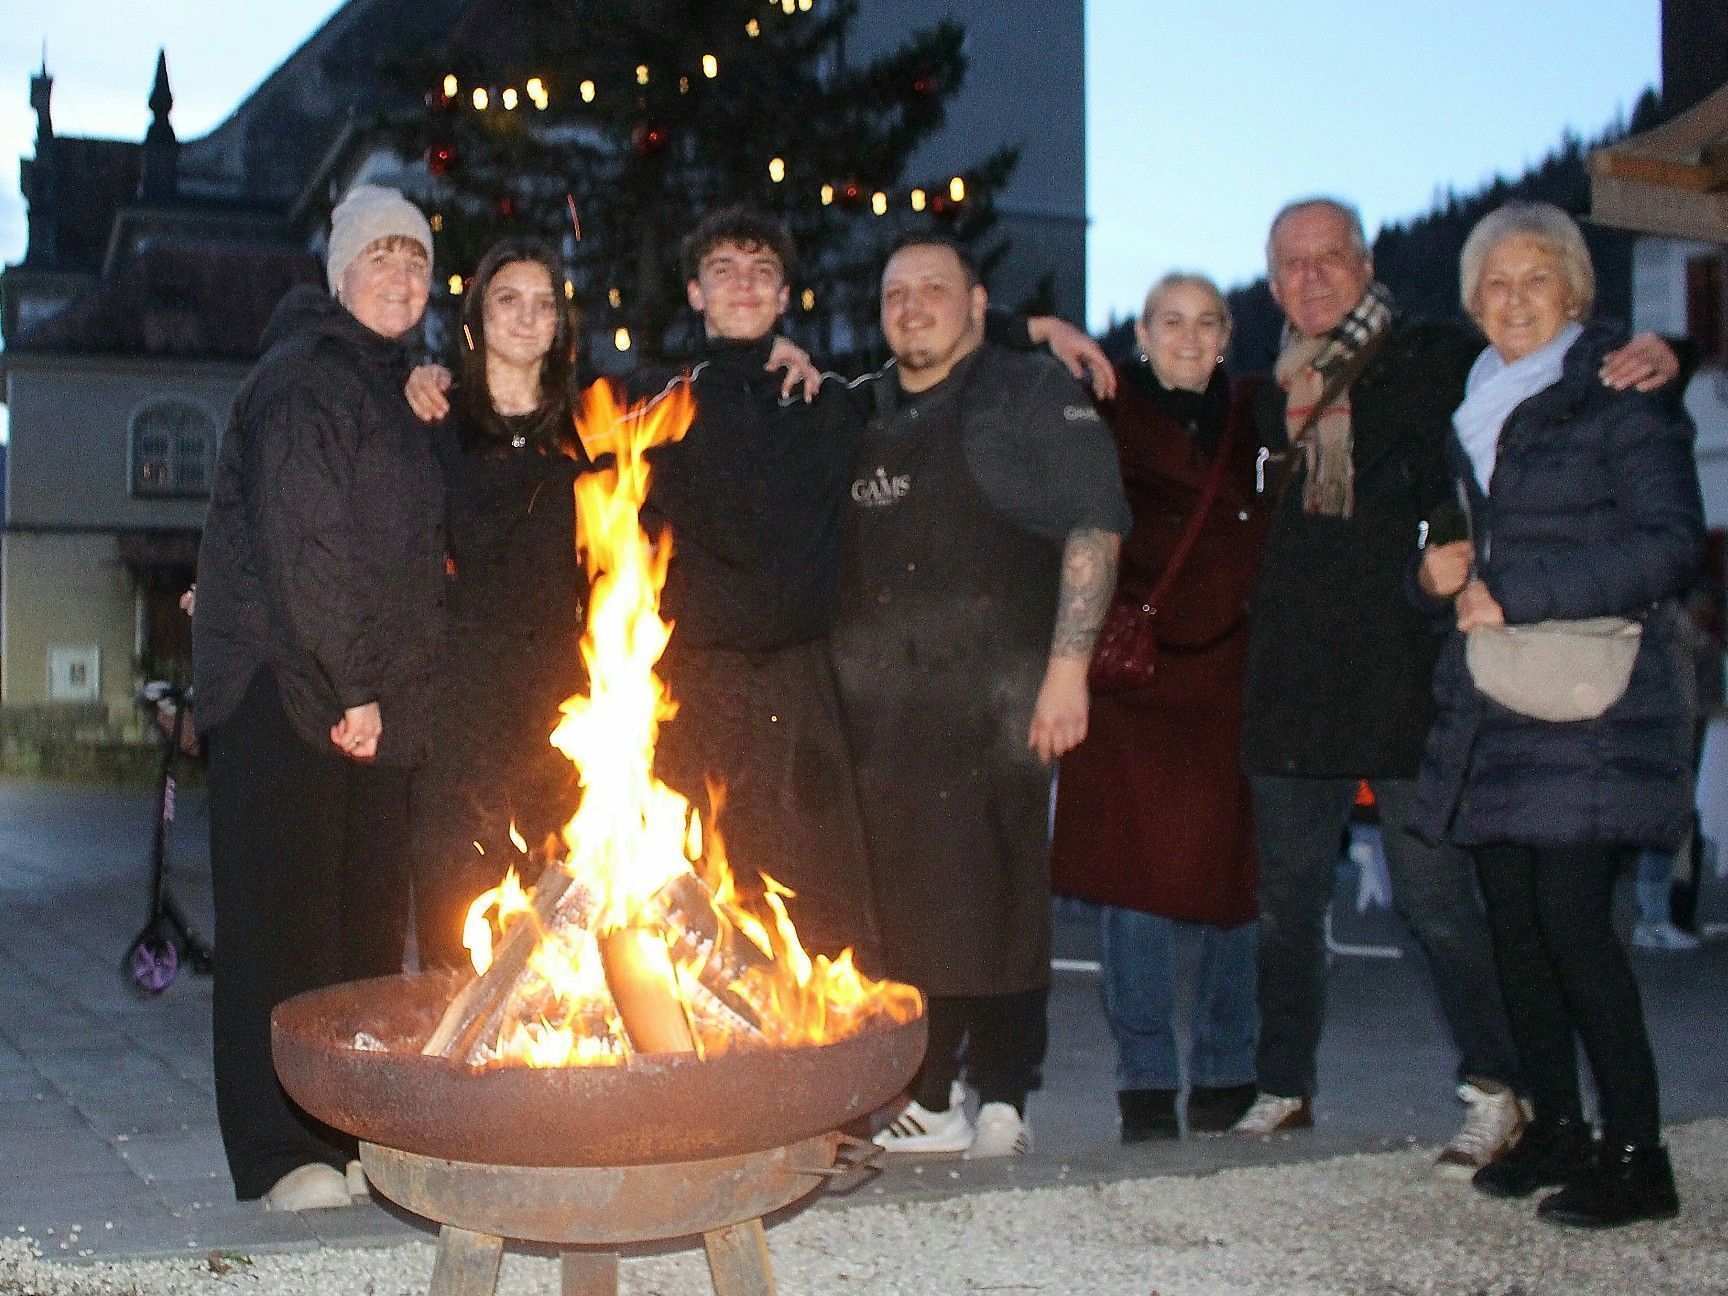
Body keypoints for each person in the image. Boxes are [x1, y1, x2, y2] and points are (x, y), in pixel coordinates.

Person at [1233, 196, 1679, 1181]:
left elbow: (1561, 355)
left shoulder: (1439, 361)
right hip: (1294, 688)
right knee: (1288, 906)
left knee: (1440, 908)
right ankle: (1285, 1083)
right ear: (1271, 283)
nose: (1312, 279)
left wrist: (1661, 351)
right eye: (1291, 266)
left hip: (1416, 683)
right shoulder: (1263, 397)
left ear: (1367, 262)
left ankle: (1500, 1088)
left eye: (1330, 258)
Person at [1412, 201, 1703, 1228]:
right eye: (1496, 283)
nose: (1515, 299)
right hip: (1495, 697)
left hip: (1588, 700)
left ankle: (1639, 1155)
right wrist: (1434, 577)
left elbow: (1673, 548)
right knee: (1516, 933)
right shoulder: (1477, 399)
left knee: (1577, 928)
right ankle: (1561, 1131)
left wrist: (1521, 591)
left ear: (1576, 291)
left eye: (1537, 279)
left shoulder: (1619, 394)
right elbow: (1462, 561)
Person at [836, 233, 1130, 1160]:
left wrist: (1067, 669)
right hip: (886, 707)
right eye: (895, 293)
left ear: (976, 302)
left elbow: (1095, 528)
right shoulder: (865, 406)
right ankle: (948, 1092)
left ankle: (996, 1091)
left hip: (1001, 695)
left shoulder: (1030, 391)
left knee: (995, 896)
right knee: (917, 902)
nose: (913, 306)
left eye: (936, 289)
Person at [193, 185, 445, 1210]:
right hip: (287, 697)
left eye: (417, 262)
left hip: (360, 702)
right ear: (340, 274)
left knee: (357, 936)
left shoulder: (383, 386)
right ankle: (276, 1150)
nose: (401, 277)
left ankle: (342, 1136)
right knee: (279, 931)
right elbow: (310, 548)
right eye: (380, 258)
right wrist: (356, 688)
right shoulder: (304, 379)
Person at [1050, 273, 1266, 1141]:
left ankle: (1225, 1071)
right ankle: (1145, 1082)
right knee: (1129, 887)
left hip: (1227, 675)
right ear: (1140, 332)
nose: (1188, 336)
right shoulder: (1102, 411)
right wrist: (1041, 329)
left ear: (1226, 335)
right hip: (1130, 676)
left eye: (1206, 322)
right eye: (1170, 321)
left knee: (1231, 882)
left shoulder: (1259, 412)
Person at [410, 238, 593, 971]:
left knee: (556, 930)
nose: (527, 318)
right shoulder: (435, 422)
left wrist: (789, 358)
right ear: (477, 319)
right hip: (459, 708)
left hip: (560, 710)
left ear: (561, 324)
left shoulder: (592, 427)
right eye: (507, 300)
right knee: (459, 919)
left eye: (544, 304)